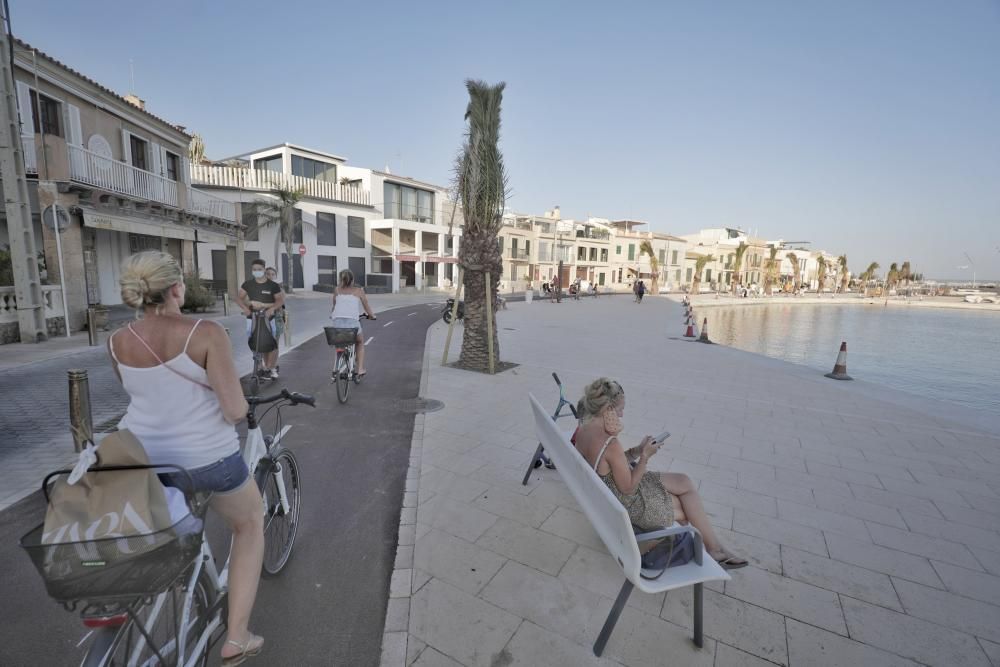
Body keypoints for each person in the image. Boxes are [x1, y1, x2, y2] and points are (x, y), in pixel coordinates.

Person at [108, 251, 266, 664]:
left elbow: (139, 393)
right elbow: (233, 410)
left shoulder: (117, 340)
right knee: (249, 523)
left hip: (142, 460)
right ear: (177, 288)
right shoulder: (207, 332)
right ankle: (237, 636)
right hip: (206, 458)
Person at [572, 378, 747, 569]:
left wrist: (637, 450)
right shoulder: (609, 442)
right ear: (608, 410)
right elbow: (628, 488)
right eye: (620, 409)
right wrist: (645, 457)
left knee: (683, 481)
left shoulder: (584, 430)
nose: (621, 415)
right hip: (627, 501)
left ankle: (715, 547)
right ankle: (714, 548)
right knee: (685, 505)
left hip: (611, 493)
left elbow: (607, 463)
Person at [237, 259, 284, 379]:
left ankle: (270, 368)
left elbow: (280, 301)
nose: (257, 271)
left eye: (259, 269)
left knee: (272, 343)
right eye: (254, 269)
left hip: (270, 318)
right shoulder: (248, 284)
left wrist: (271, 308)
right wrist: (246, 308)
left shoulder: (273, 286)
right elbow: (239, 298)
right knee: (254, 341)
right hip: (252, 318)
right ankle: (259, 367)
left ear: (263, 269)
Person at [330, 268, 376, 377]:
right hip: (352, 324)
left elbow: (334, 307)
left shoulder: (337, 290)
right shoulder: (358, 291)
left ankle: (336, 367)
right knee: (359, 342)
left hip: (337, 323)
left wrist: (332, 315)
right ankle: (359, 369)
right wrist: (372, 316)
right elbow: (366, 306)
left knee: (340, 343)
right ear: (352, 280)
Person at [264, 267, 286, 374]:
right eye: (268, 274)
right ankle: (267, 366)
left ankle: (272, 367)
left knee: (274, 344)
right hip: (263, 319)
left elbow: (281, 302)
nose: (270, 276)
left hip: (276, 318)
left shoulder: (279, 288)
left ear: (275, 276)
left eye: (273, 274)